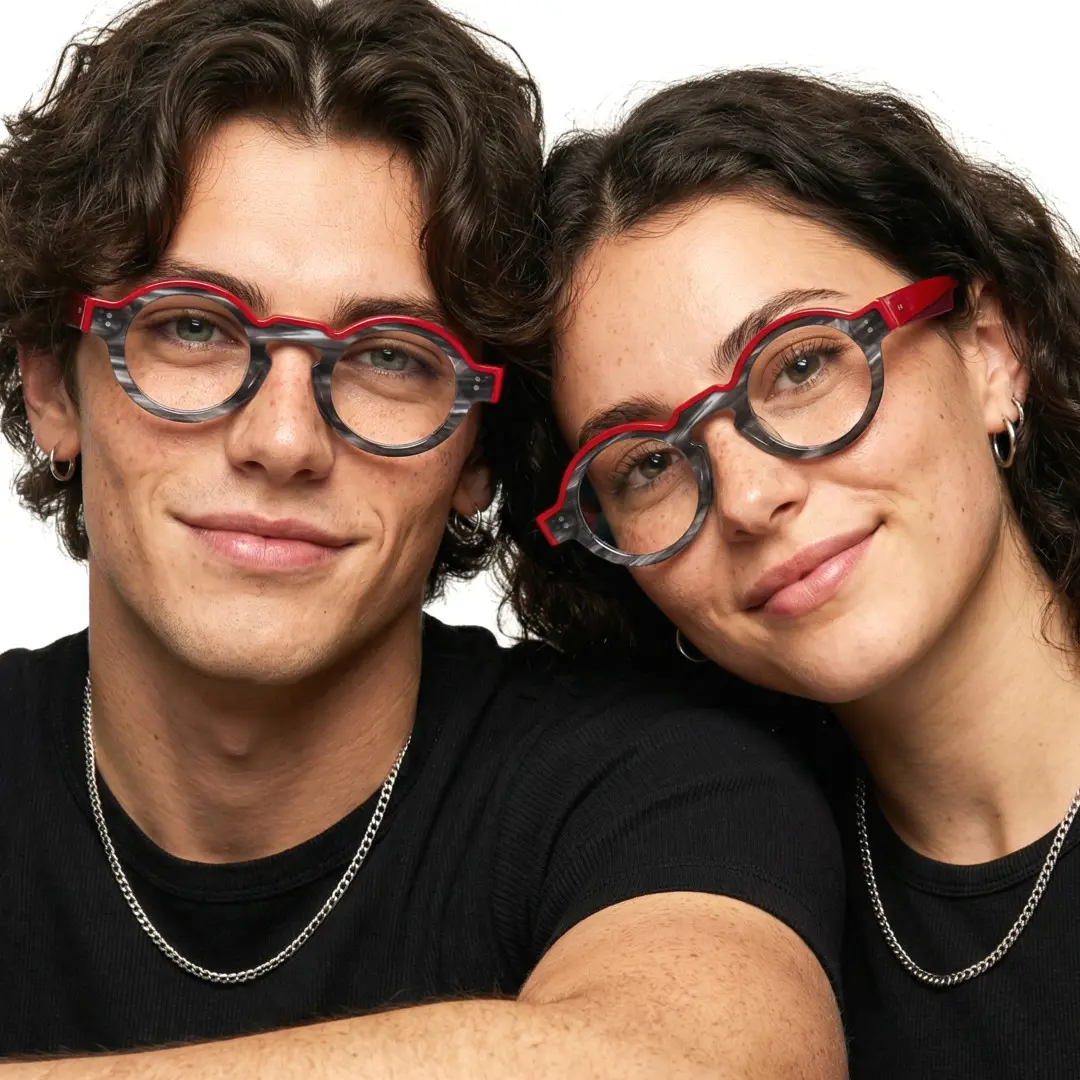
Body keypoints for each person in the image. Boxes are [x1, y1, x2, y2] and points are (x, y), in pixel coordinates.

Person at [0, 4, 848, 1076]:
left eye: (391, 356)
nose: (283, 439)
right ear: (49, 388)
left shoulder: (663, 783)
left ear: (478, 451)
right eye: (195, 328)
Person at [503, 68, 1080, 1079]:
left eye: (802, 364)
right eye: (646, 462)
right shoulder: (694, 883)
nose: (747, 495)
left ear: (991, 349)